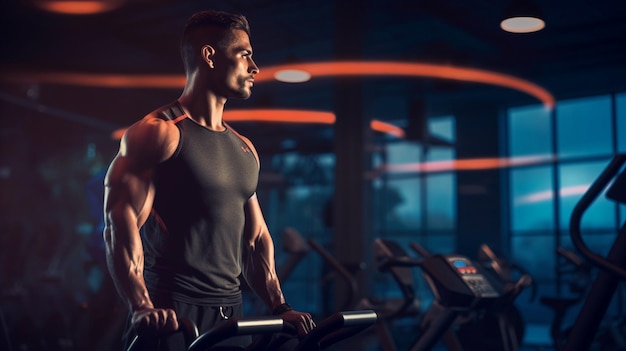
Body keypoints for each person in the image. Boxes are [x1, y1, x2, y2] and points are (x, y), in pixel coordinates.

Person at [102, 9, 315, 350]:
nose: (255, 67)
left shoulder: (245, 148)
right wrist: (142, 305)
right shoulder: (159, 133)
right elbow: (119, 223)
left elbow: (255, 238)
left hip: (231, 316)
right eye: (244, 54)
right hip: (171, 315)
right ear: (210, 56)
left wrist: (280, 306)